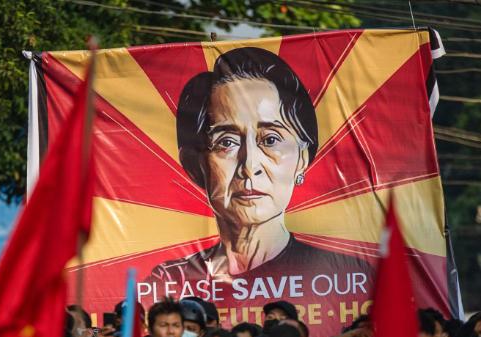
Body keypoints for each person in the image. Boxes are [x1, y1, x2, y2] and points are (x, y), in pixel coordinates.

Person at [148, 46, 373, 286]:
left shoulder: (345, 278)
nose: (250, 165)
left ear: (302, 159)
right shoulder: (170, 284)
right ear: (195, 165)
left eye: (271, 140)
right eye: (227, 142)